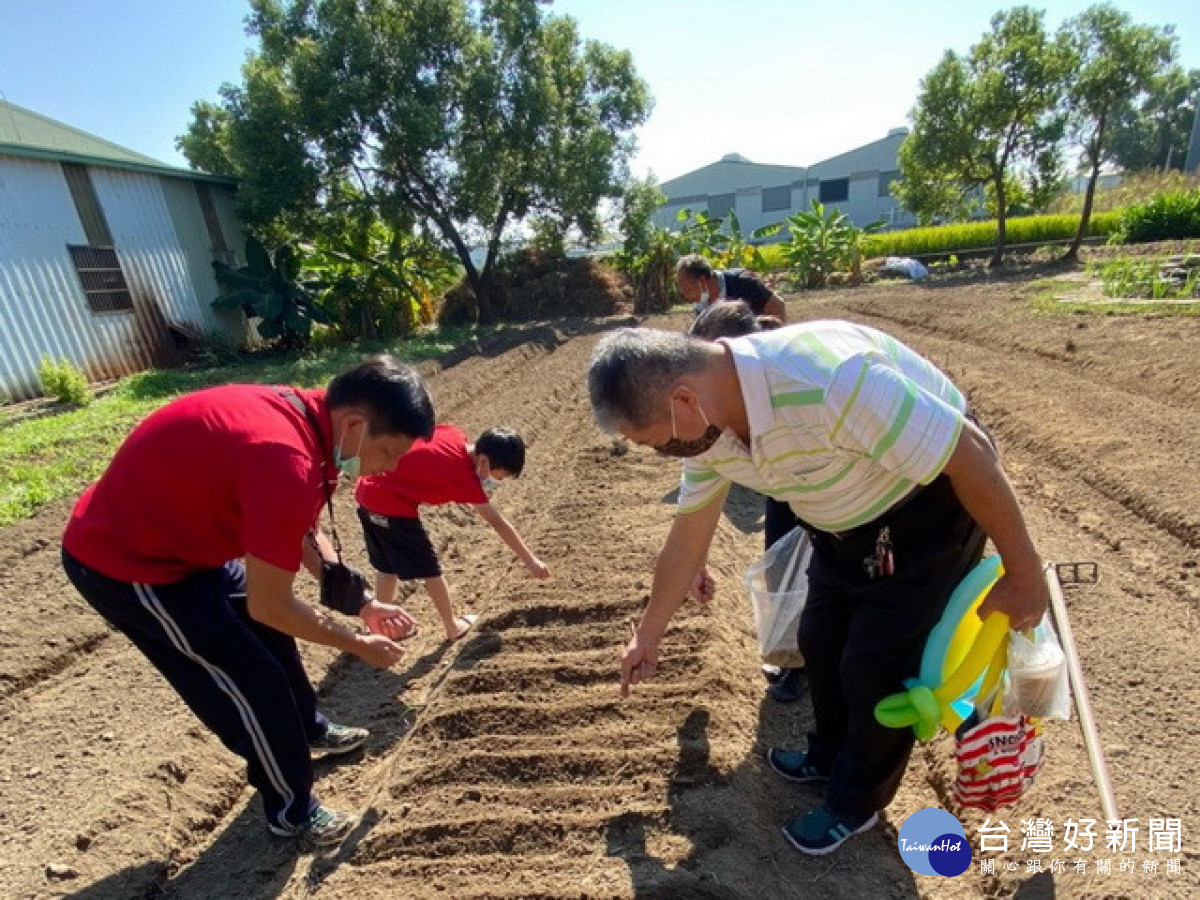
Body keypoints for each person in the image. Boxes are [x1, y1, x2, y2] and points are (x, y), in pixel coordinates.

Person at [587, 322, 1048, 855]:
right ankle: (828, 755)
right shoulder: (704, 426)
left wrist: (1024, 573)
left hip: (927, 510)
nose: (664, 455)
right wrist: (648, 635)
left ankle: (856, 804)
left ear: (684, 400)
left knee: (875, 670)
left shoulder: (831, 379)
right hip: (840, 524)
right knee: (820, 641)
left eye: (658, 444)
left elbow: (969, 454)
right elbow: (688, 533)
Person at [61, 356, 435, 848]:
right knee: (252, 679)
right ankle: (291, 810)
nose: (389, 467)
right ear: (356, 425)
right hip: (131, 564)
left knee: (273, 644)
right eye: (389, 452)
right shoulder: (284, 456)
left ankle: (307, 729)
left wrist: (363, 603)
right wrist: (356, 643)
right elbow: (271, 604)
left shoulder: (308, 421)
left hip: (188, 544)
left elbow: (300, 527)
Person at [688, 303, 804, 704]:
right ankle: (792, 662)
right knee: (783, 570)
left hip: (830, 494)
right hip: (785, 494)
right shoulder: (710, 412)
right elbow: (700, 492)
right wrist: (695, 562)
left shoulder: (792, 388)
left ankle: (821, 669)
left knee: (825, 581)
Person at [354, 424, 551, 641]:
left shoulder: (453, 435)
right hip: (390, 505)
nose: (495, 483)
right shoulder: (463, 478)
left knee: (387, 566)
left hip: (366, 492)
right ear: (484, 462)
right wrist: (530, 560)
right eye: (499, 477)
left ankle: (379, 626)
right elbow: (498, 522)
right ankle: (452, 627)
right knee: (430, 569)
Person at [675, 253, 787, 322]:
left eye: (689, 290)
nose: (686, 297)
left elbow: (778, 305)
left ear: (702, 281)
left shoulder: (743, 283)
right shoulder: (701, 305)